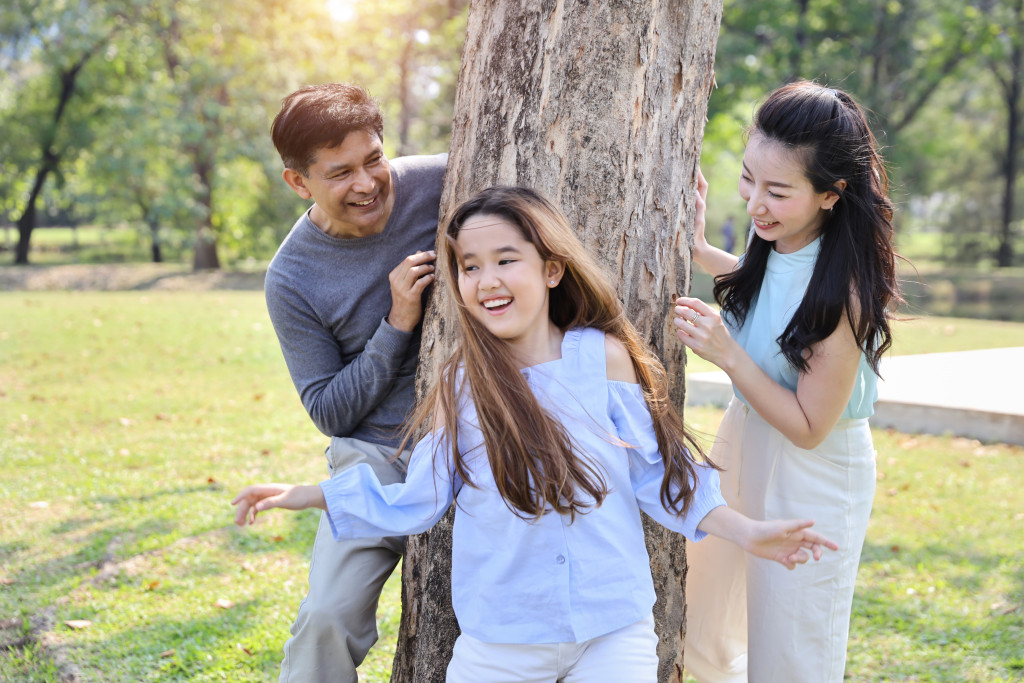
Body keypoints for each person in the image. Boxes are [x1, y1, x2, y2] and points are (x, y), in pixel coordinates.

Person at [235, 186, 838, 683]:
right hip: (502, 636)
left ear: (551, 270)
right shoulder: (463, 386)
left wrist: (750, 532)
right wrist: (309, 493)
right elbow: (417, 498)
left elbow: (662, 475)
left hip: (612, 625)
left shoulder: (603, 359)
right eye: (469, 267)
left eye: (504, 259)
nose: (486, 280)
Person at [673, 81, 903, 682]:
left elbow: (808, 427)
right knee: (702, 612)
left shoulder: (846, 289)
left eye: (778, 191)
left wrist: (727, 354)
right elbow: (767, 291)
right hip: (745, 438)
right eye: (750, 179)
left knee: (791, 652)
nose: (755, 204)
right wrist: (700, 250)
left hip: (816, 471)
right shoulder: (774, 237)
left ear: (831, 194)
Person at [264, 82, 446, 683]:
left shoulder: (443, 180)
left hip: (476, 434)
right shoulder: (291, 278)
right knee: (325, 618)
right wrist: (397, 323)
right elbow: (329, 411)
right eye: (340, 173)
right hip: (377, 451)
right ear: (299, 182)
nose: (367, 183)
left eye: (374, 159)